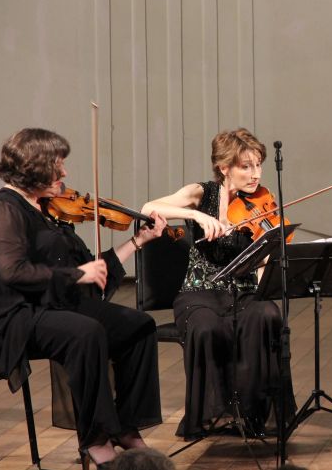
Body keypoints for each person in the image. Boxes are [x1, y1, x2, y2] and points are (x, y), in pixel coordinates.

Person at [0, 128, 167, 469]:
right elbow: (12, 272)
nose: (64, 173)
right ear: (33, 168)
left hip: (56, 305)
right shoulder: (1, 210)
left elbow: (90, 270)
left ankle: (125, 425)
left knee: (139, 325)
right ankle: (96, 437)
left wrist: (137, 242)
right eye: (57, 165)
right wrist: (76, 275)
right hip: (14, 316)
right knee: (85, 332)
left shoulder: (48, 210)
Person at [142, 127, 294, 440]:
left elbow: (265, 259)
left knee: (267, 316)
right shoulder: (203, 193)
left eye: (258, 165)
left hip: (244, 291)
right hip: (200, 291)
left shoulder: (261, 200)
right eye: (246, 166)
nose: (255, 174)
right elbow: (148, 209)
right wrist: (196, 217)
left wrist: (265, 289)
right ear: (224, 167)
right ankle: (212, 416)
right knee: (206, 327)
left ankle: (254, 415)